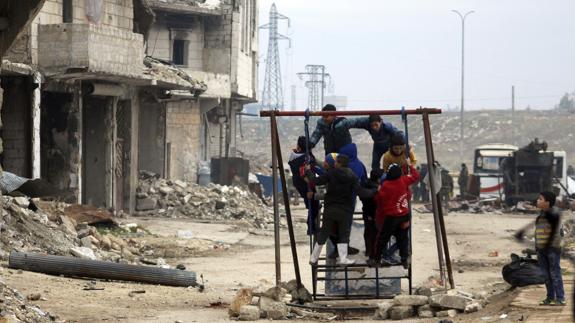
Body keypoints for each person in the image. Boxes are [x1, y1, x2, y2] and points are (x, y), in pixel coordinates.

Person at [306, 153, 375, 266]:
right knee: (343, 234)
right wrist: (375, 192)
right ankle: (343, 259)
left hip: (330, 209)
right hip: (345, 210)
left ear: (339, 163)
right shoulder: (352, 176)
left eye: (336, 161)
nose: (335, 163)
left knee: (323, 233)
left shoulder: (331, 174)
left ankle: (313, 258)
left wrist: (308, 170)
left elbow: (315, 181)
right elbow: (361, 192)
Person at [371, 162, 420, 268]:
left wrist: (377, 192)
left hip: (391, 218)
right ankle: (404, 260)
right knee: (403, 238)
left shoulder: (386, 185)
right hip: (405, 216)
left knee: (382, 239)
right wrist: (409, 166)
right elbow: (416, 176)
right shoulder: (404, 180)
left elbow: (378, 200)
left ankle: (377, 259)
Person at [534, 192, 565, 306]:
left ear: (547, 202)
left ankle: (560, 298)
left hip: (551, 249)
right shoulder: (541, 215)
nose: (537, 201)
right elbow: (538, 232)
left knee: (555, 273)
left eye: (540, 199)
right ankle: (550, 297)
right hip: (541, 250)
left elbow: (558, 234)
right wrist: (537, 247)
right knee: (546, 274)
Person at [288, 136, 321, 235]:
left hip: (297, 181)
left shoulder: (294, 155)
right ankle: (311, 228)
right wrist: (310, 186)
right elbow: (304, 174)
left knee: (312, 203)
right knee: (314, 204)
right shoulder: (305, 159)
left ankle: (311, 226)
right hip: (304, 183)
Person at [360, 169, 383, 257]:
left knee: (368, 231)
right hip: (373, 212)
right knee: (374, 233)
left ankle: (368, 251)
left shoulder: (365, 184)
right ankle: (372, 252)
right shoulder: (377, 188)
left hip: (367, 211)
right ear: (378, 179)